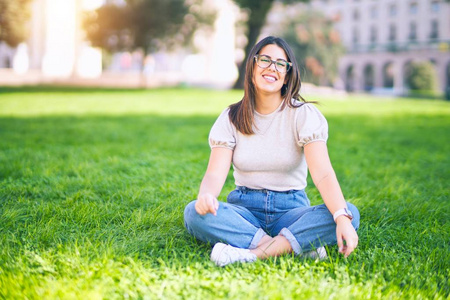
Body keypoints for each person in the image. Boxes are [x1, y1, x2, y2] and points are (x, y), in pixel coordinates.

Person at [184, 36, 360, 267]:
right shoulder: (231, 117)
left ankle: (252, 254)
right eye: (265, 60)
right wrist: (206, 195)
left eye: (280, 64)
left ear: (287, 74)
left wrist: (340, 217)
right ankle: (293, 246)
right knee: (193, 213)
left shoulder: (303, 114)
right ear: (252, 66)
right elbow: (215, 173)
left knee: (350, 214)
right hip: (245, 210)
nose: (272, 68)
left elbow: (323, 173)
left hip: (291, 210)